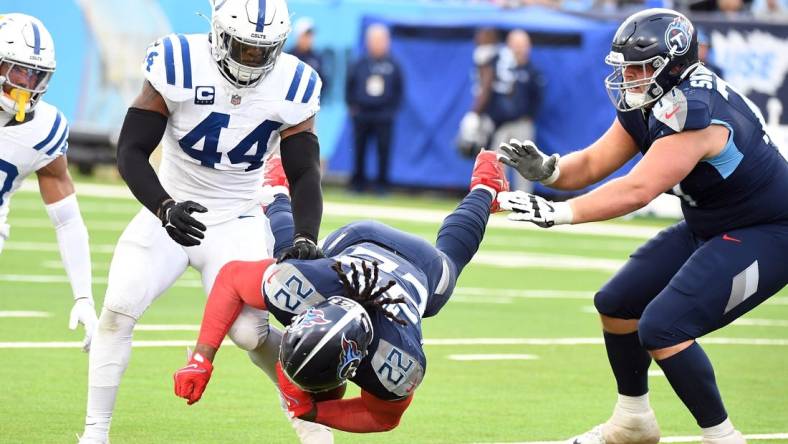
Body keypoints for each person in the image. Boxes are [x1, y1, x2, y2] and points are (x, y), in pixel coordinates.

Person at [496, 9, 788, 444]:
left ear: (672, 64)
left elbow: (638, 189)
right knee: (616, 303)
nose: (629, 77)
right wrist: (550, 171)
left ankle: (724, 438)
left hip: (768, 230)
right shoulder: (654, 97)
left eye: (639, 67)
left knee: (663, 327)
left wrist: (557, 212)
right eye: (625, 67)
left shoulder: (695, 108)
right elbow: (595, 161)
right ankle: (633, 421)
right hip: (711, 222)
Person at [79, 1, 329, 443]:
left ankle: (308, 420)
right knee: (118, 309)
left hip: (238, 219)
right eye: (243, 46)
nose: (252, 59)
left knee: (252, 335)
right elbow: (131, 150)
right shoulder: (180, 62)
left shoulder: (294, 83)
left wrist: (306, 235)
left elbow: (305, 172)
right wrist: (163, 206)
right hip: (171, 211)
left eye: (262, 49)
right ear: (217, 34)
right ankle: (94, 435)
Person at [171, 149, 509, 433]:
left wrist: (313, 412)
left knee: (445, 271)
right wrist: (203, 358)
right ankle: (275, 190)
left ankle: (485, 187)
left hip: (418, 265)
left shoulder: (397, 359)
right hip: (354, 245)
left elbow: (383, 417)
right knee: (294, 257)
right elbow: (231, 278)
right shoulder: (307, 291)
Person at [0, 14, 96, 351]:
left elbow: (67, 219)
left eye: (36, 74)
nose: (27, 83)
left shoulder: (45, 127)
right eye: (18, 70)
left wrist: (84, 295)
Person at [345, 24, 403, 194]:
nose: (378, 44)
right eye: (374, 40)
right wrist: (352, 106)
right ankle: (358, 183)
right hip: (362, 112)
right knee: (359, 149)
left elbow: (400, 89)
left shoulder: (393, 64)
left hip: (383, 114)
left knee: (383, 150)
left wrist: (392, 110)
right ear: (368, 42)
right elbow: (349, 85)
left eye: (381, 40)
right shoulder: (360, 63)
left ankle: (382, 184)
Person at [457, 27, 499, 158]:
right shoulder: (492, 55)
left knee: (487, 154)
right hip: (489, 111)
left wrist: (474, 112)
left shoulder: (487, 55)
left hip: (491, 113)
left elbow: (487, 85)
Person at [289, 18, 328, 93]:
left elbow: (324, 82)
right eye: (305, 36)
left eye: (310, 36)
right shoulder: (288, 56)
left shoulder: (317, 58)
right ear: (297, 36)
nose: (308, 39)